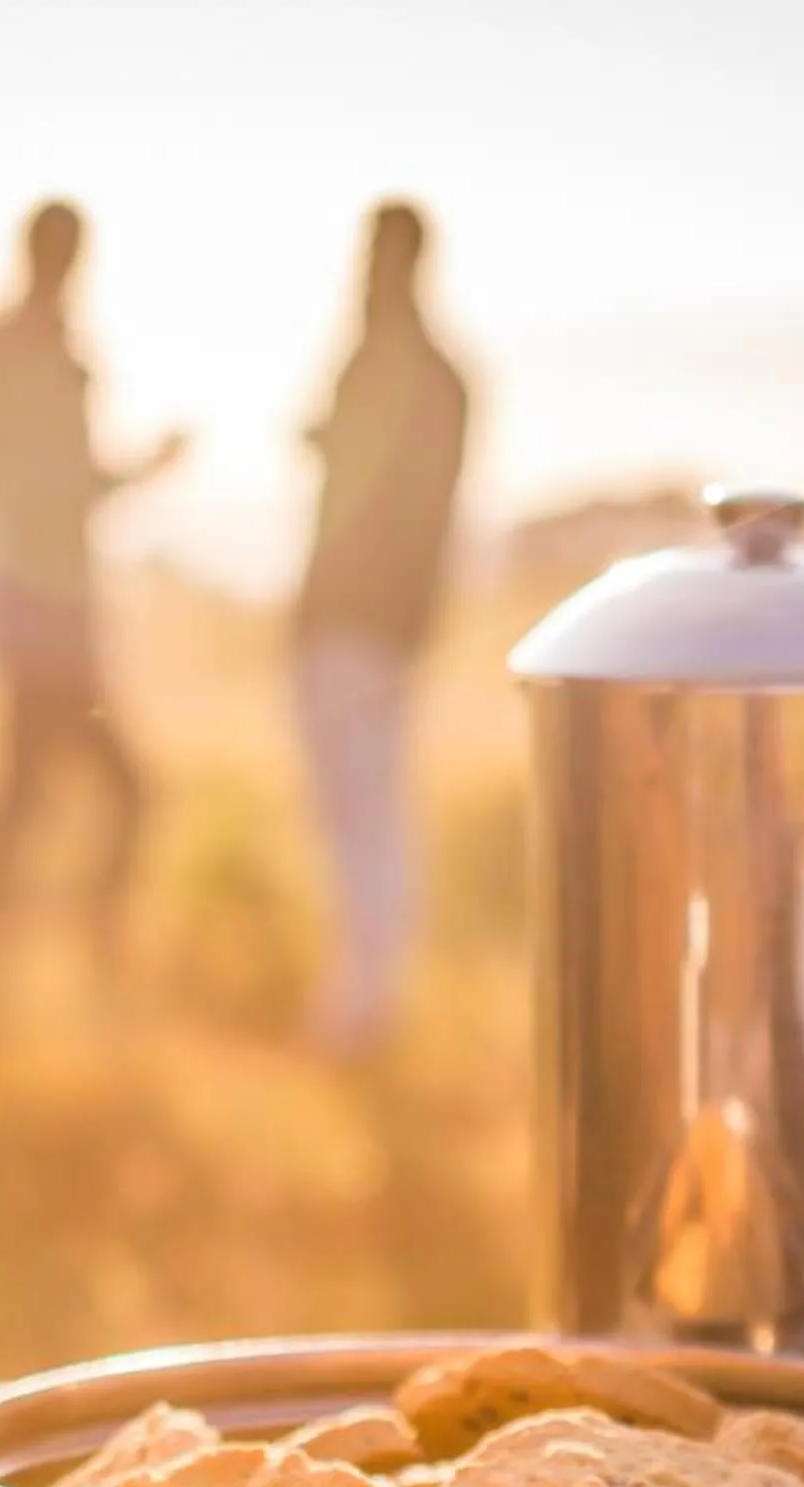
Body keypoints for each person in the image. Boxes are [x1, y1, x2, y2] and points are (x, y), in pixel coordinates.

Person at [0, 201, 184, 999]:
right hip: (44, 614)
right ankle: (81, 953)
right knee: (113, 793)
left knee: (29, 791)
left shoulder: (31, 353)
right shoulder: (37, 357)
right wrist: (146, 470)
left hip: (42, 608)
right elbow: (57, 489)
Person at [292, 200, 469, 1056]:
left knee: (358, 812)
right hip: (381, 628)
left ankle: (364, 1006)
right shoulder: (440, 374)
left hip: (352, 625)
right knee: (371, 808)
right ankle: (366, 995)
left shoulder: (387, 367)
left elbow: (387, 504)